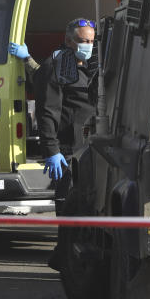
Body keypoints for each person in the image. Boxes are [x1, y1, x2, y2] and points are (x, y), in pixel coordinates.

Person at [30, 18, 98, 270]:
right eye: (82, 41)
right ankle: (66, 257)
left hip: (89, 147)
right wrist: (52, 150)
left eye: (91, 41)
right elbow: (47, 112)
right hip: (68, 149)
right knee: (68, 205)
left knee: (87, 207)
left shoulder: (90, 65)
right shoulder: (55, 67)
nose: (87, 46)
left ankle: (65, 255)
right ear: (69, 40)